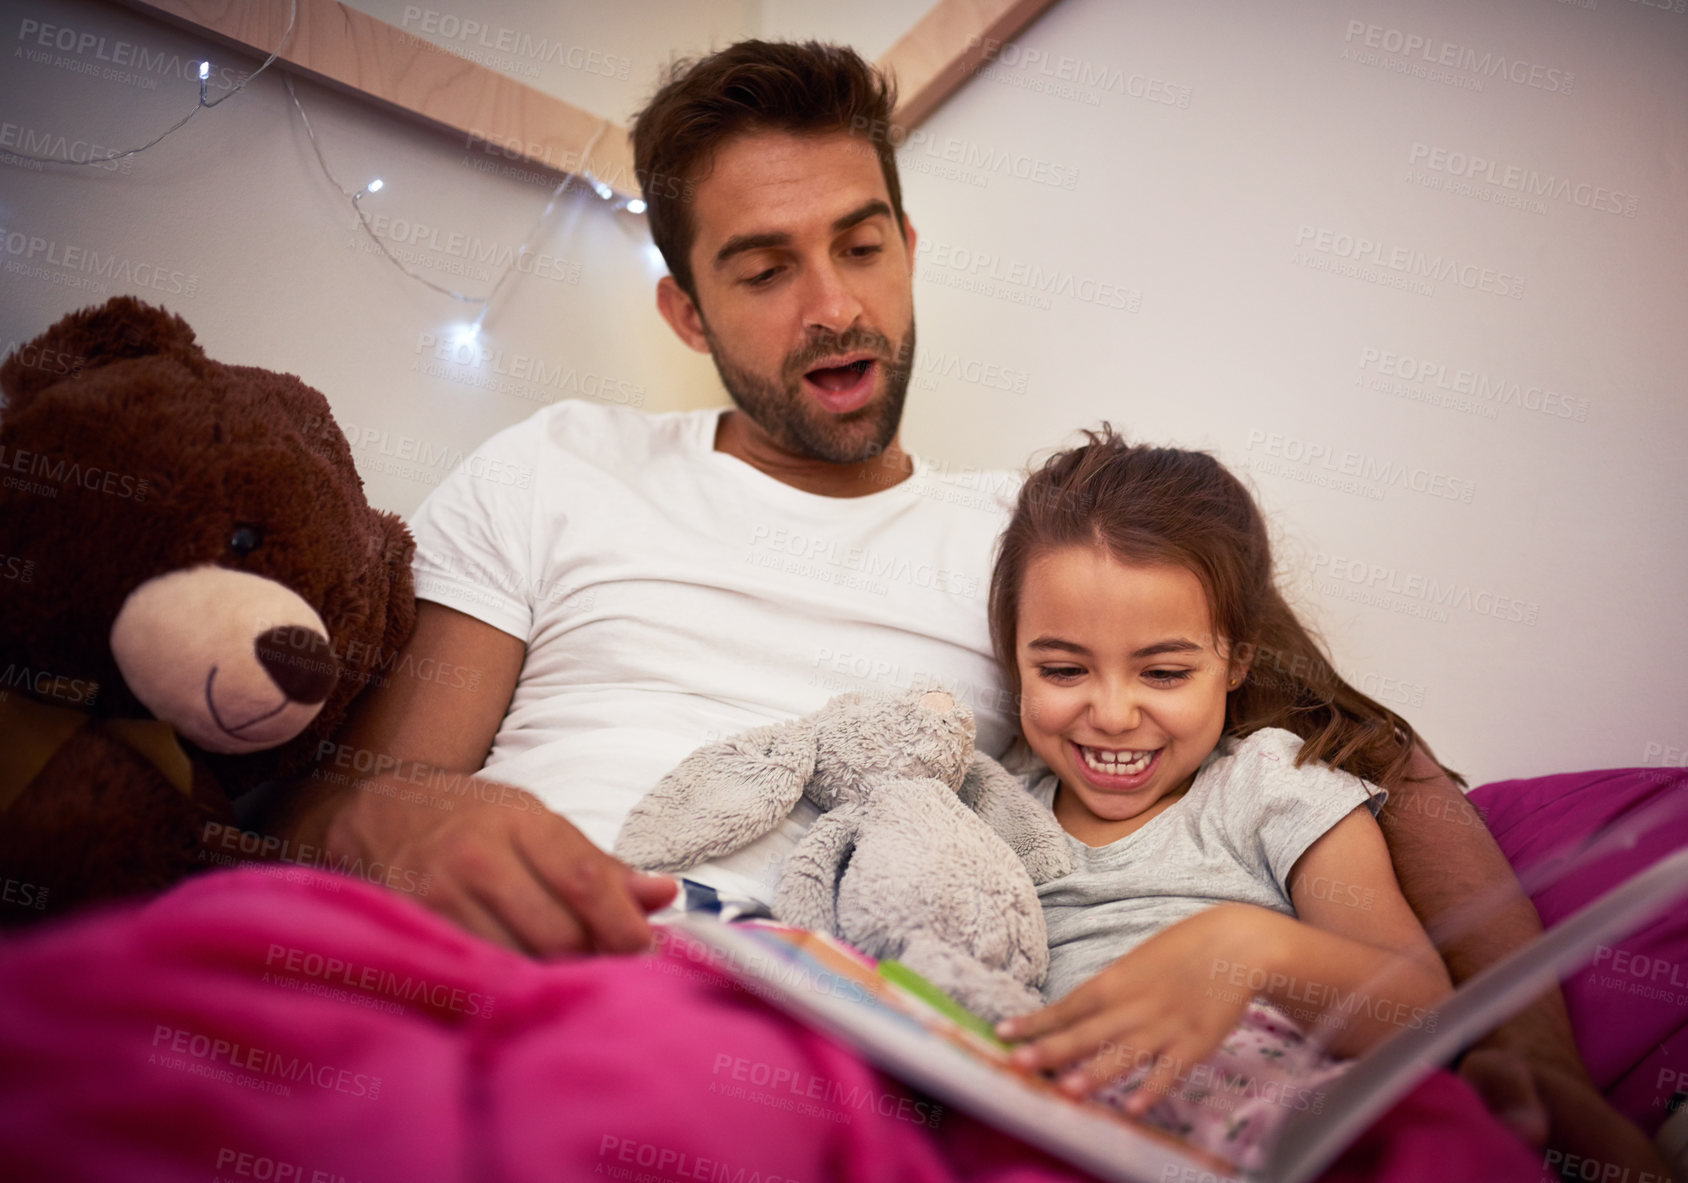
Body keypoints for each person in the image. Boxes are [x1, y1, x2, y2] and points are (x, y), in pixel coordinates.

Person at [267, 39, 1665, 1180]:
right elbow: (363, 798)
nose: (835, 306)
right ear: (685, 311)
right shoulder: (556, 464)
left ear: (910, 244)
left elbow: (1377, 754)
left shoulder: (1047, 548)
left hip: (809, 1032)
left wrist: (1533, 1067)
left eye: (862, 245)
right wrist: (405, 810)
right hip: (505, 954)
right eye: (763, 270)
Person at [982, 430, 1456, 1167]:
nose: (1111, 712)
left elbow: (1425, 1014)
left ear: (1234, 661)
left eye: (1164, 672)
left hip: (1289, 1129)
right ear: (1014, 656)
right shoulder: (994, 816)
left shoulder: (1271, 784)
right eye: (1065, 669)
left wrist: (1254, 950)